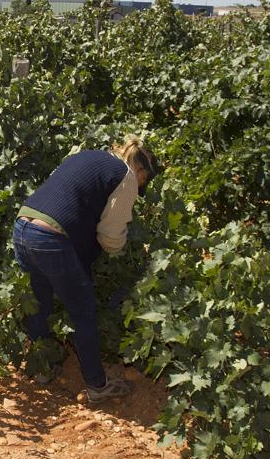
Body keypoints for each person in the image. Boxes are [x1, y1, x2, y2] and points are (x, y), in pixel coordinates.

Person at [12, 135, 160, 403]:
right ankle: (97, 385)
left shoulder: (86, 156)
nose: (138, 191)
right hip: (50, 239)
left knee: (39, 303)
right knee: (84, 313)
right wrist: (120, 253)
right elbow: (111, 235)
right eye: (143, 184)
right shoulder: (125, 176)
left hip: (24, 226)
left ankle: (43, 369)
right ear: (140, 171)